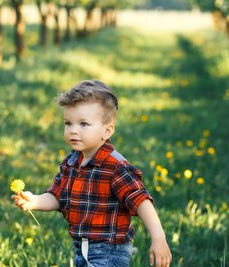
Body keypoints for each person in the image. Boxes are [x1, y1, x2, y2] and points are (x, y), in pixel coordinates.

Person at [12, 80, 172, 267]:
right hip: (82, 247)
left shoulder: (115, 166)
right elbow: (58, 197)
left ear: (107, 130)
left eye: (84, 124)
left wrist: (158, 237)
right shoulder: (71, 163)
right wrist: (35, 201)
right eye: (68, 123)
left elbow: (141, 201)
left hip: (110, 250)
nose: (73, 130)